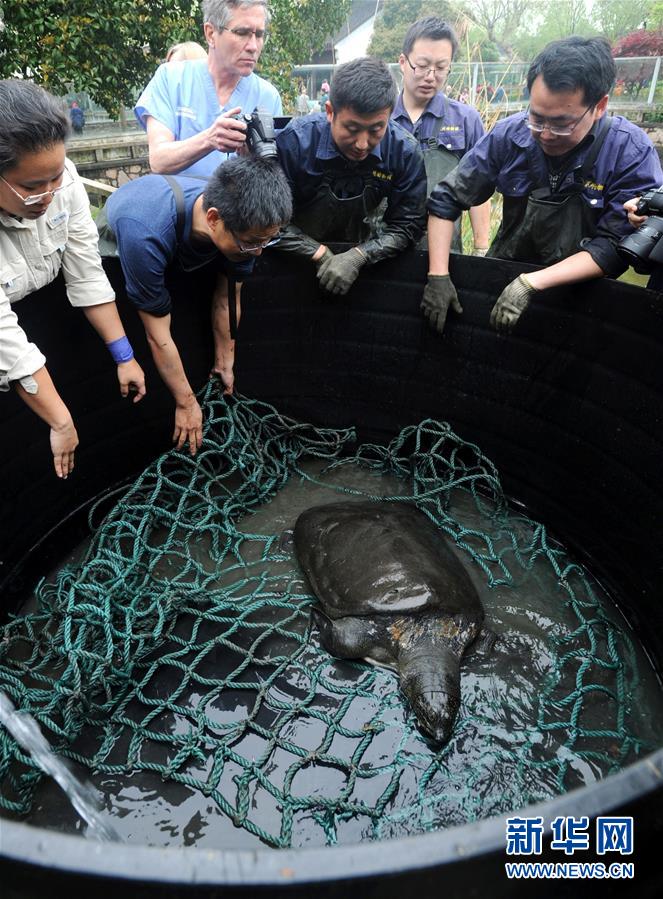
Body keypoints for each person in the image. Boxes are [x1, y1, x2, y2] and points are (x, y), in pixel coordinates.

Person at [425, 36, 663, 336]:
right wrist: (438, 275)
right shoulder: (508, 135)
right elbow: (446, 200)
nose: (546, 134)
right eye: (536, 119)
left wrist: (531, 283)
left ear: (599, 106)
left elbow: (614, 246)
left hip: (580, 296)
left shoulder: (629, 151)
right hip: (503, 274)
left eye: (562, 124)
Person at [0, 80, 145, 479]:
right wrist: (61, 422)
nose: (49, 195)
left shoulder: (64, 182)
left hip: (40, 319)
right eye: (32, 186)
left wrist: (125, 356)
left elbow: (86, 272)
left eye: (56, 177)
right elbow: (6, 342)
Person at [104, 157, 292, 455]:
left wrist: (225, 363)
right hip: (120, 235)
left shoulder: (246, 223)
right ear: (214, 219)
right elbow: (156, 334)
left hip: (184, 231)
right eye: (252, 243)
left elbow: (227, 298)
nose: (258, 252)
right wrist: (186, 403)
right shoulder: (144, 233)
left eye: (266, 242)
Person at [274, 56, 427, 296]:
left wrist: (360, 256)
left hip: (367, 263)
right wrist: (318, 253)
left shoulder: (404, 151)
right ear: (330, 112)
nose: (362, 144)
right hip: (294, 262)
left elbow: (408, 225)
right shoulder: (295, 143)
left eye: (376, 129)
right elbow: (268, 221)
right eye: (352, 129)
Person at [135, 0, 282, 178]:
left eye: (259, 35)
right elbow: (159, 160)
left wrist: (250, 160)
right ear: (211, 34)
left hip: (237, 196)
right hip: (179, 196)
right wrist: (209, 139)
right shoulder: (171, 79)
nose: (253, 46)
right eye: (242, 33)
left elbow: (272, 176)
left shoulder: (268, 96)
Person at [391, 17, 491, 257]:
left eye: (441, 67)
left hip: (446, 253)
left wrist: (481, 249)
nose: (430, 76)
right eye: (422, 65)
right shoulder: (381, 119)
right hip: (386, 250)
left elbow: (479, 189)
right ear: (403, 62)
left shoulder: (466, 120)